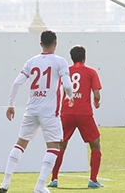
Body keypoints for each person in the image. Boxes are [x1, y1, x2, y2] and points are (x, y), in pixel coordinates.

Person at [0, 30, 74, 193]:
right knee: (54, 147)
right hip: (49, 111)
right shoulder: (60, 61)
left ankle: (5, 182)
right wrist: (70, 96)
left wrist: (11, 104)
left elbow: (17, 83)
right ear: (55, 44)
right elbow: (67, 85)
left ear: (40, 44)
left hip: (31, 110)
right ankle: (39, 186)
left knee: (20, 144)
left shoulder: (31, 61)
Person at [48, 45, 103, 189]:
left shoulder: (65, 72)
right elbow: (96, 94)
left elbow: (58, 90)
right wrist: (96, 102)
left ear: (71, 58)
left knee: (60, 145)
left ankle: (54, 179)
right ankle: (93, 180)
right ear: (85, 57)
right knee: (95, 144)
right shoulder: (91, 72)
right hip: (84, 114)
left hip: (66, 112)